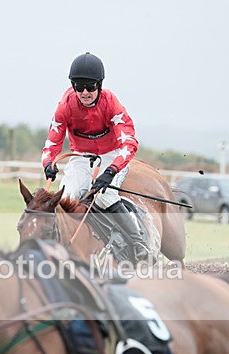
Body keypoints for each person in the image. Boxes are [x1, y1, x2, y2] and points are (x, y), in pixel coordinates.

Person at [41, 52, 149, 261]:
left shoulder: (112, 104)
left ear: (99, 85)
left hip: (112, 154)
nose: (84, 92)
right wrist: (48, 163)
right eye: (78, 86)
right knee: (66, 200)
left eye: (90, 86)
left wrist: (111, 171)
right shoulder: (65, 106)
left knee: (106, 196)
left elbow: (129, 143)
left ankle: (138, 242)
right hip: (81, 156)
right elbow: (52, 143)